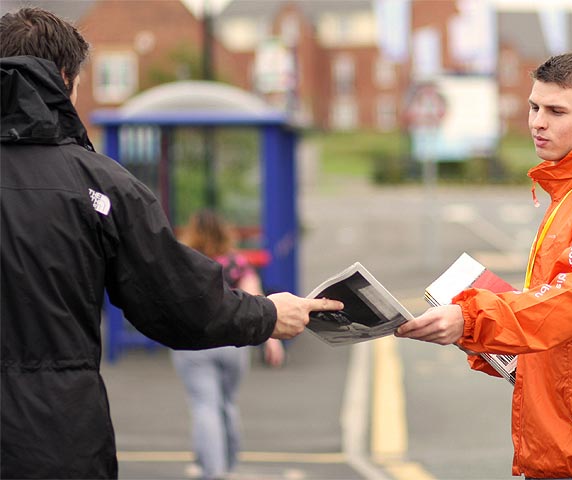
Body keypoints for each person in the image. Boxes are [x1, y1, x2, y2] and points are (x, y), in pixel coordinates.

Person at [0, 7, 342, 479]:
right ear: (63, 81)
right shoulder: (98, 185)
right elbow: (176, 300)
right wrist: (267, 313)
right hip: (54, 441)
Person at [396, 51, 572, 480]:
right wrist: (486, 339)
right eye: (534, 106)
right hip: (569, 440)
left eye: (556, 110)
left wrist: (473, 318)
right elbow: (560, 312)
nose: (538, 121)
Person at [172, 210, 284, 480]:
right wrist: (270, 340)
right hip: (233, 343)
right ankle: (230, 462)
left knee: (203, 405)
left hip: (193, 344)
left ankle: (212, 470)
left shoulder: (185, 261)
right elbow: (257, 301)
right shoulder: (235, 262)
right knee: (227, 403)